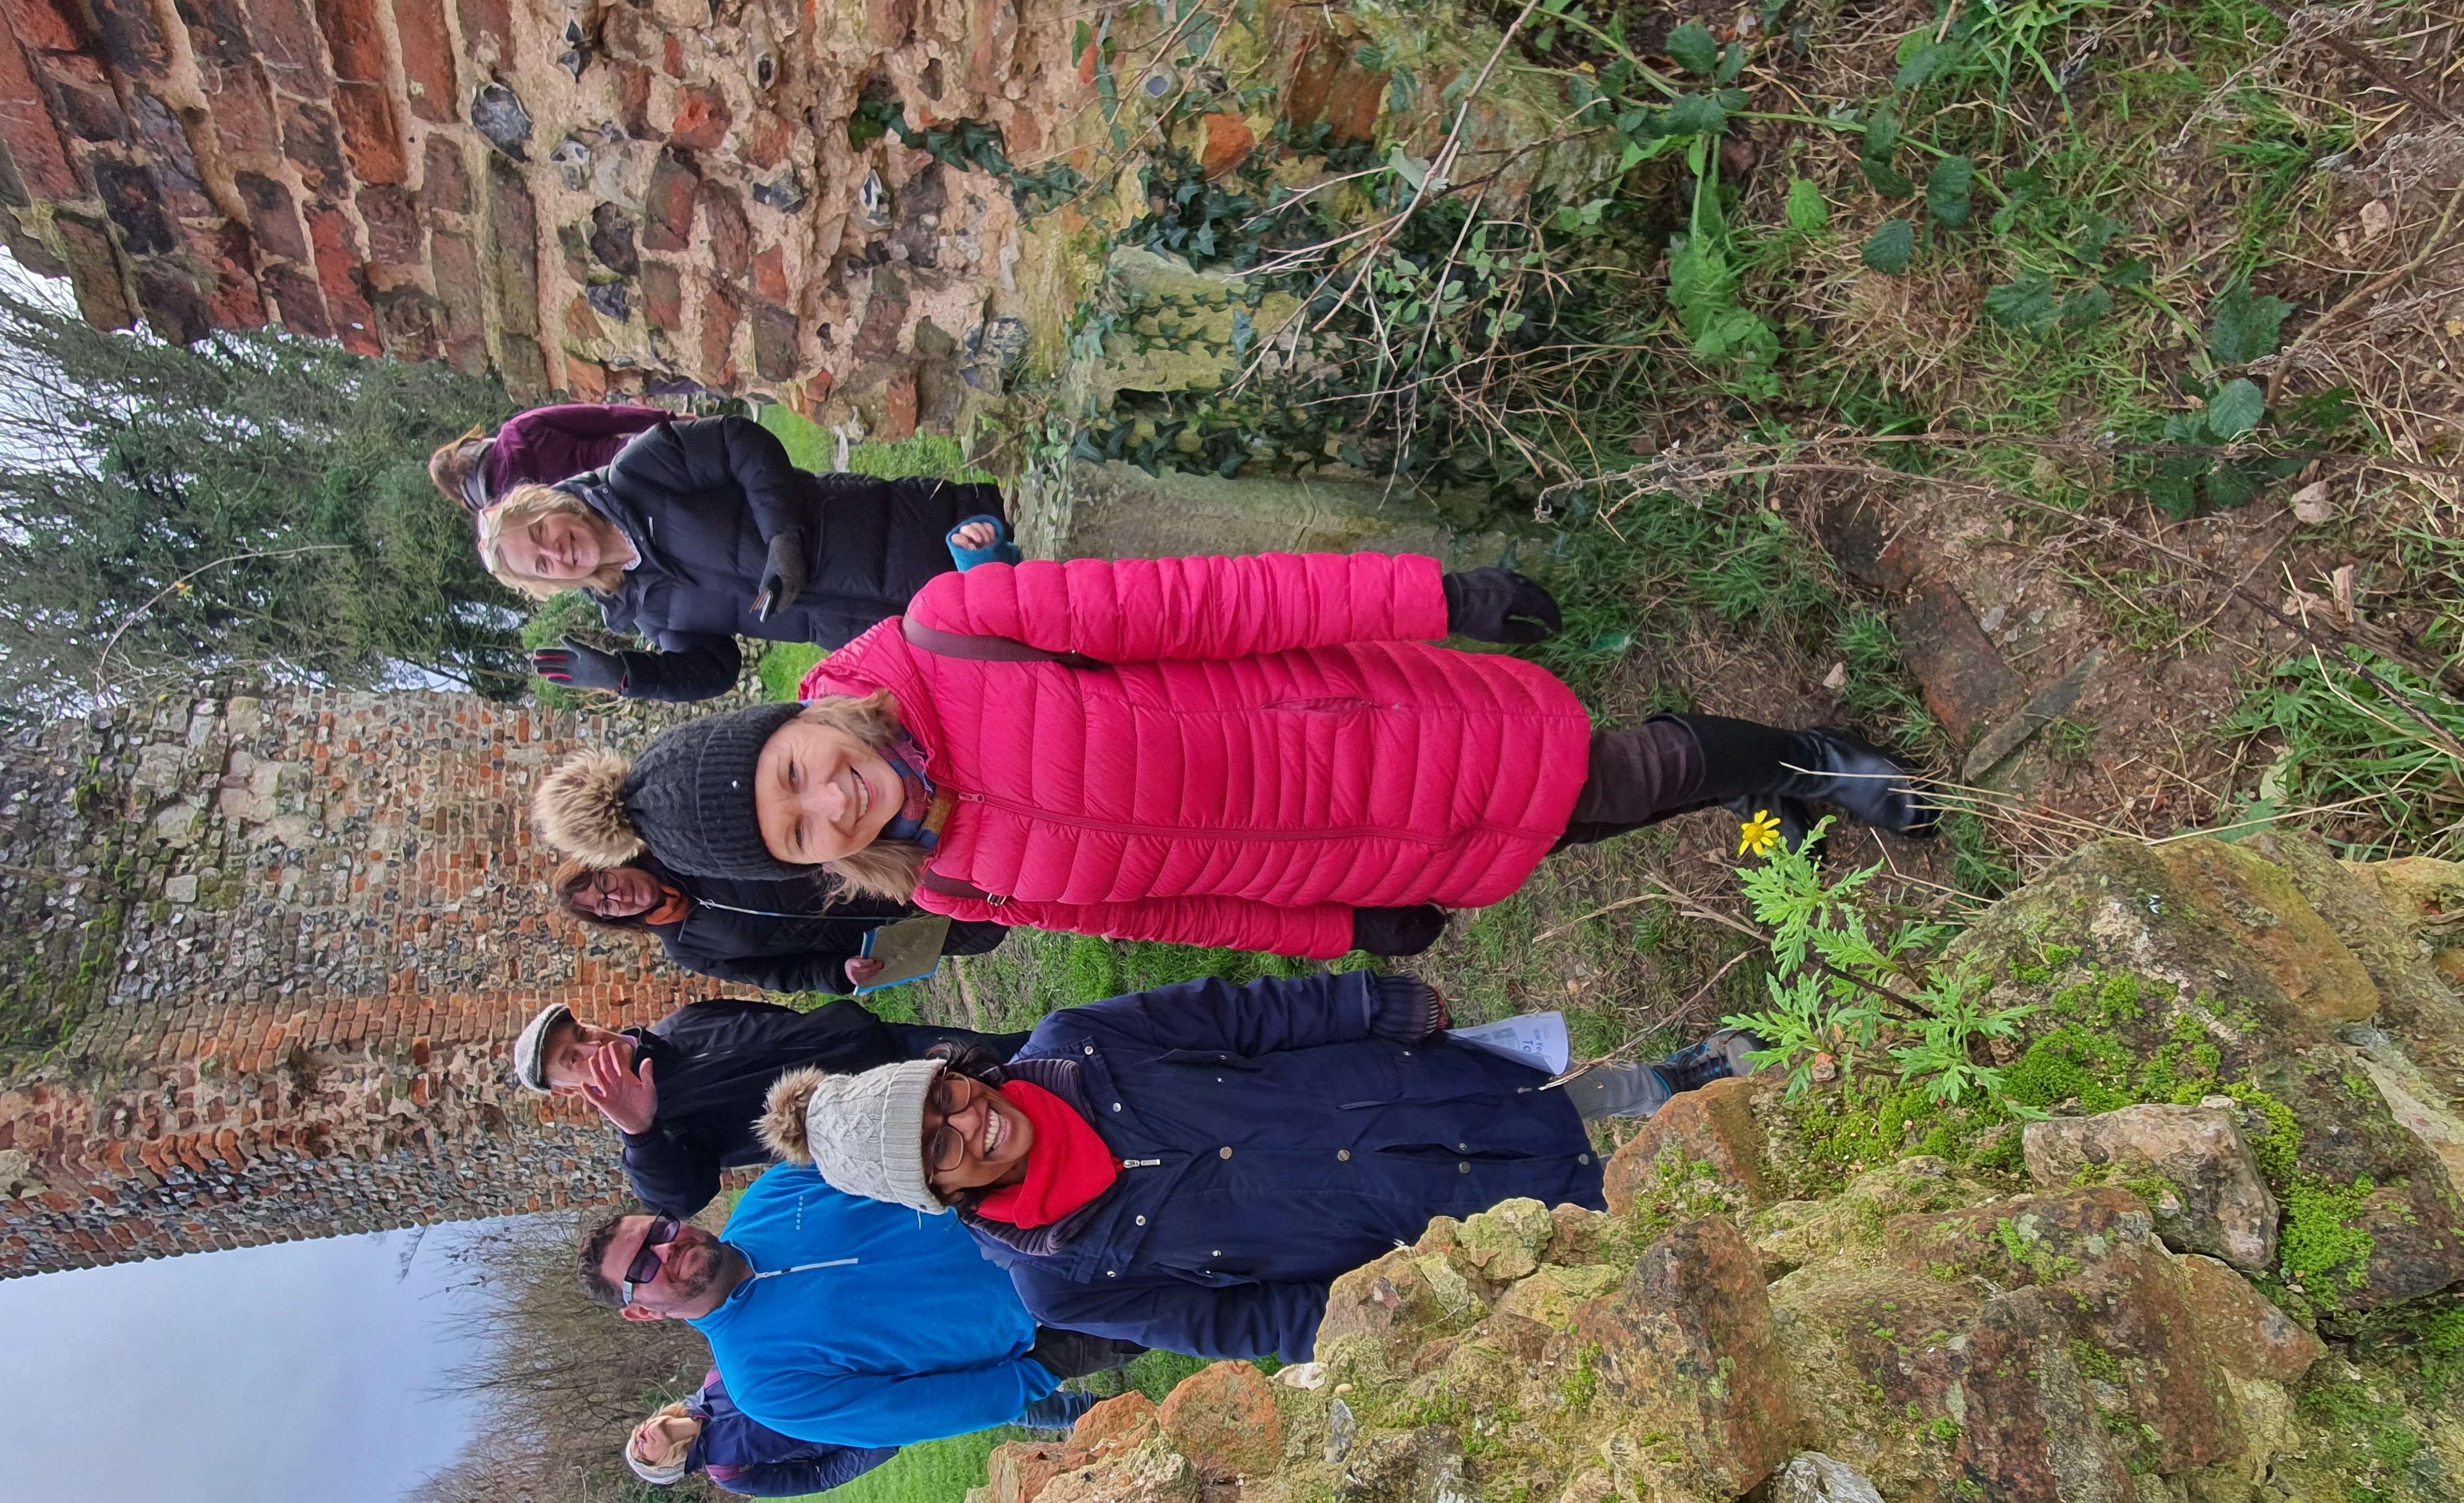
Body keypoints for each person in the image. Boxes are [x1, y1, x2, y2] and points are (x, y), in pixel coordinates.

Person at [526, 552, 1935, 954]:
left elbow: (1216, 602)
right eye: (797, 833)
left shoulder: (955, 630)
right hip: (1359, 856)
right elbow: (1160, 913)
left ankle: (1804, 763)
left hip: (1377, 726)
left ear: (796, 719)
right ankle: (1761, 785)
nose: (828, 801)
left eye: (794, 772)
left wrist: (1434, 596)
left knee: (1615, 774)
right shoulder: (946, 882)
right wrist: (1338, 929)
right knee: (1573, 823)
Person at [752, 969, 1760, 1362]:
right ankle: (1734, 1207)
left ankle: (1678, 1080)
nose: (971, 1120)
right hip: (1405, 1222)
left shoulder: (1075, 1043)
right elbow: (1234, 1322)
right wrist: (1368, 1323)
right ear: (939, 1193)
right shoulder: (1058, 1279)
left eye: (946, 1094)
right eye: (939, 1144)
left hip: (1382, 1090)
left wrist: (1363, 1006)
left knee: (1542, 1099)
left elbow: (1236, 1015)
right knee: (1592, 1214)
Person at [576, 1165, 1146, 1447]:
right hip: (1062, 1322)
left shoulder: (774, 1192)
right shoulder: (763, 1386)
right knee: (1200, 1303)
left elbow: (905, 1158)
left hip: (1047, 1208)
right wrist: (1044, 1368)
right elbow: (917, 1412)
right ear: (642, 1312)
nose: (666, 1249)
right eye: (642, 1267)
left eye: (658, 1231)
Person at [479, 412, 1009, 701]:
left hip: (903, 534)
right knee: (1008, 647)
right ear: (551, 584)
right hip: (884, 626)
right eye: (541, 564)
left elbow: (741, 442)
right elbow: (716, 669)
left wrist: (783, 538)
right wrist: (628, 674)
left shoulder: (638, 473)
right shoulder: (644, 610)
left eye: (542, 531)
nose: (555, 550)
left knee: (1028, 575)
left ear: (549, 502)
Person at [509, 996, 1026, 1217]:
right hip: (894, 1122)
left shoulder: (682, 1024)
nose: (593, 1046)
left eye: (582, 1032)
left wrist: (839, 1023)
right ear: (570, 1091)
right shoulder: (655, 1125)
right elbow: (681, 1199)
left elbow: (770, 1018)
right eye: (574, 1058)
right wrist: (639, 1132)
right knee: (1004, 1125)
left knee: (1015, 1058)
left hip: (888, 1045)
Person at [551, 856, 1011, 995]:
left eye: (606, 883)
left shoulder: (679, 849)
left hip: (874, 871)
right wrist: (838, 973)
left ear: (610, 863)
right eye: (606, 907)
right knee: (990, 924)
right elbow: (779, 975)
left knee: (993, 875)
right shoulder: (686, 948)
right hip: (883, 935)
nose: (618, 897)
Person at [622, 1366, 1101, 1497]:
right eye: (642, 1454)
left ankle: (1073, 1358)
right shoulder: (728, 1471)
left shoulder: (715, 1382)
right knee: (979, 1402)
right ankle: (1089, 1413)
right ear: (664, 1467)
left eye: (636, 1436)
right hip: (870, 1419)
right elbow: (816, 1477)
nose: (640, 1439)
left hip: (860, 1365)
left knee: (974, 1359)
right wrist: (876, 1441)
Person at [428, 403, 677, 512]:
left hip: (636, 517)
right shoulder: (520, 429)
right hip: (645, 457)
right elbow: (604, 417)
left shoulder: (509, 522)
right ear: (473, 445)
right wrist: (666, 419)